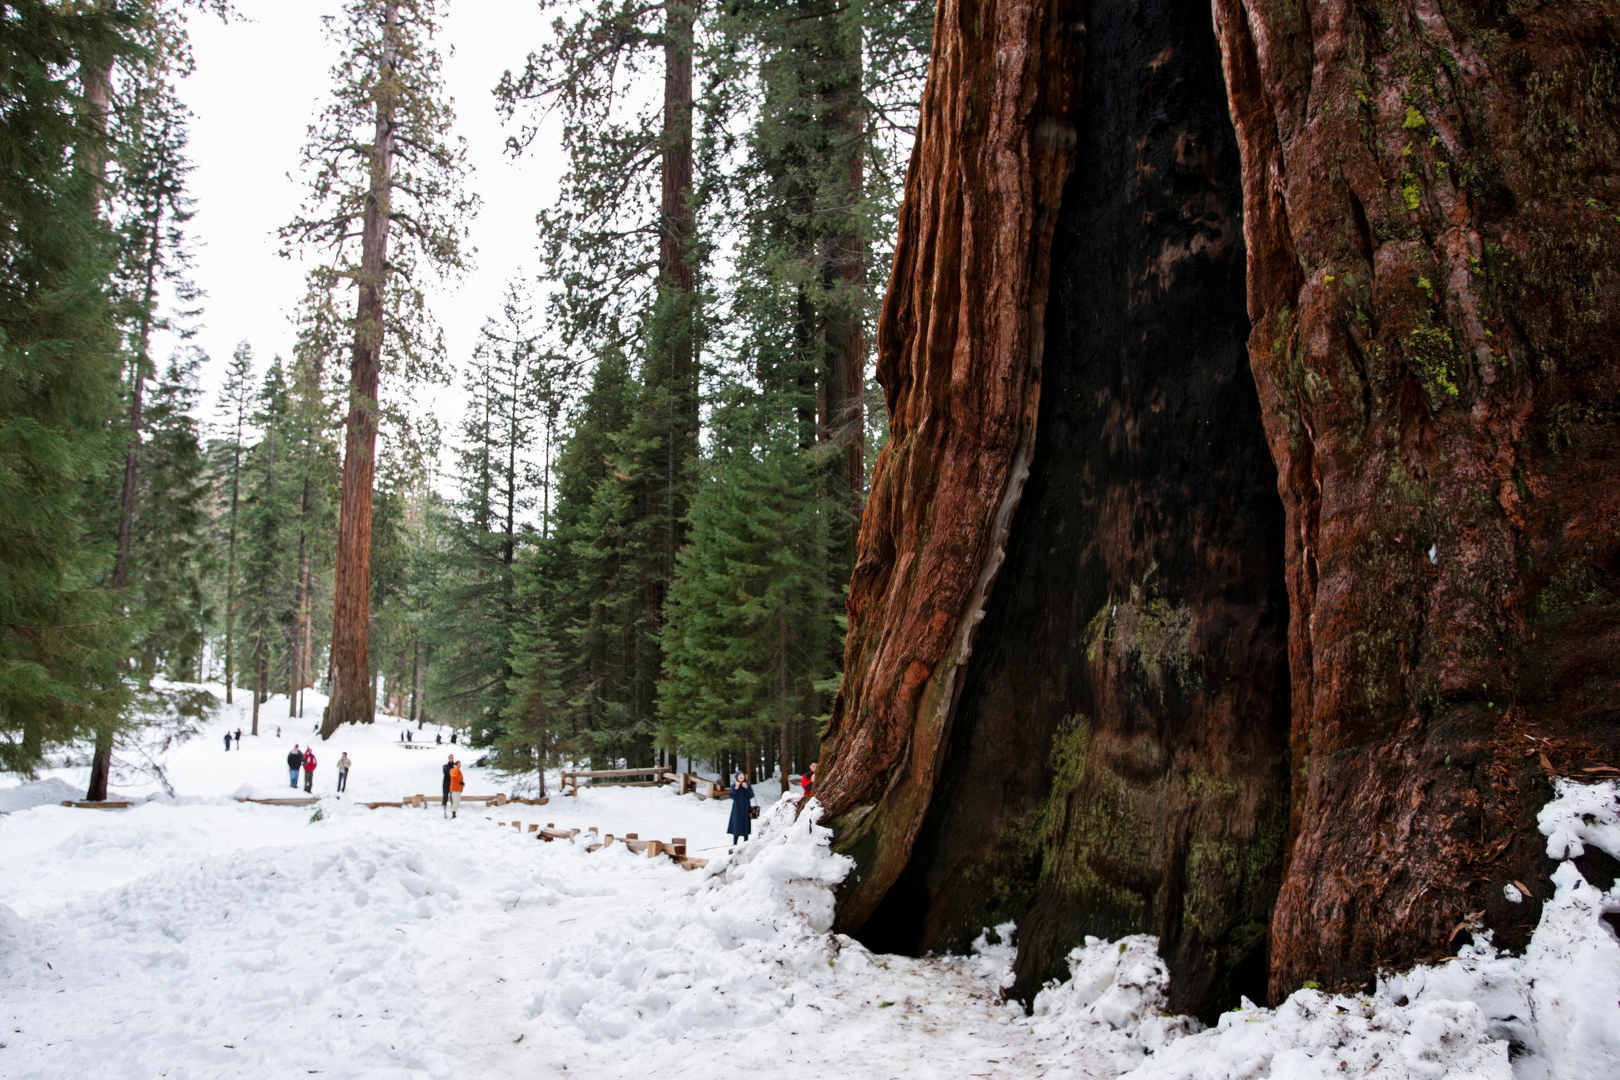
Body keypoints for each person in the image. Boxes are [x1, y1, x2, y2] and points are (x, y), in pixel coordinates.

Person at [727, 771, 754, 845]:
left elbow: (751, 795)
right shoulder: (734, 785)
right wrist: (736, 788)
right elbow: (732, 796)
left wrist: (746, 788)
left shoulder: (747, 784)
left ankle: (746, 842)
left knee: (745, 823)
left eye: (743, 775)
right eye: (740, 775)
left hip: (746, 807)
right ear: (737, 777)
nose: (741, 777)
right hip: (737, 808)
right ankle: (735, 843)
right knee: (736, 824)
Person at [442, 754, 454, 818]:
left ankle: (453, 812)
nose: (451, 759)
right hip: (446, 783)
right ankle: (444, 811)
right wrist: (452, 771)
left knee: (453, 798)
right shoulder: (445, 766)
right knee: (445, 797)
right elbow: (446, 772)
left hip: (453, 784)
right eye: (450, 758)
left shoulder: (454, 766)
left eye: (452, 758)